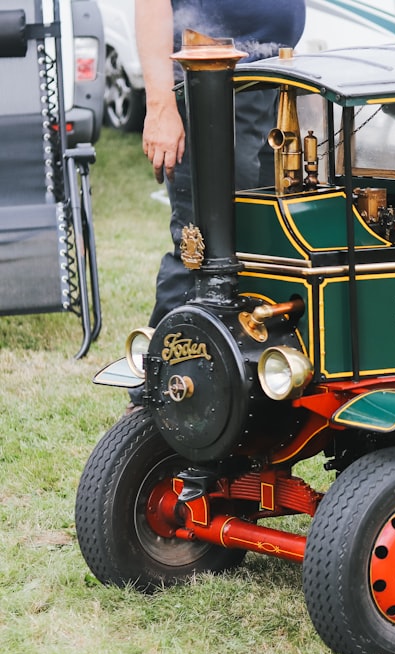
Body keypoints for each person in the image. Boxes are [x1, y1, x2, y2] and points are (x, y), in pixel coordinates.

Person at [128, 0, 306, 410]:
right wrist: (160, 104)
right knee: (202, 249)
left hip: (274, 73)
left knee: (267, 247)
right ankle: (154, 401)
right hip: (209, 75)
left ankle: (249, 388)